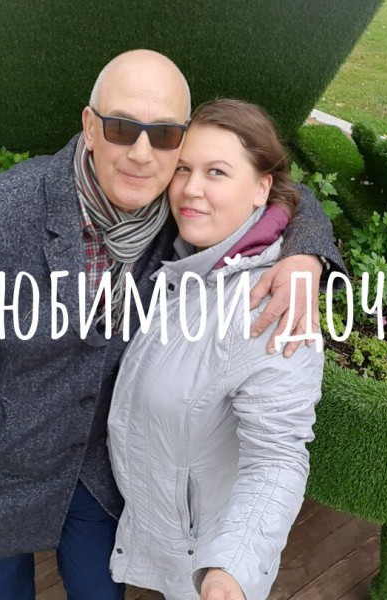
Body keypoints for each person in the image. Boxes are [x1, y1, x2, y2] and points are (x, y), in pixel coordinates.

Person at [0, 49, 342, 600]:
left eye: (165, 135)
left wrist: (306, 255)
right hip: (0, 467)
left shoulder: (176, 214)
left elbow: (281, 191)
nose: (142, 153)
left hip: (97, 474)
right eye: (122, 128)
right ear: (90, 127)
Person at [107, 99, 328, 600]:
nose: (191, 188)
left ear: (261, 189)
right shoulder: (190, 255)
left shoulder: (271, 307)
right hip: (157, 530)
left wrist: (232, 568)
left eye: (217, 172)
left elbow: (277, 458)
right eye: (183, 168)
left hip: (204, 561)